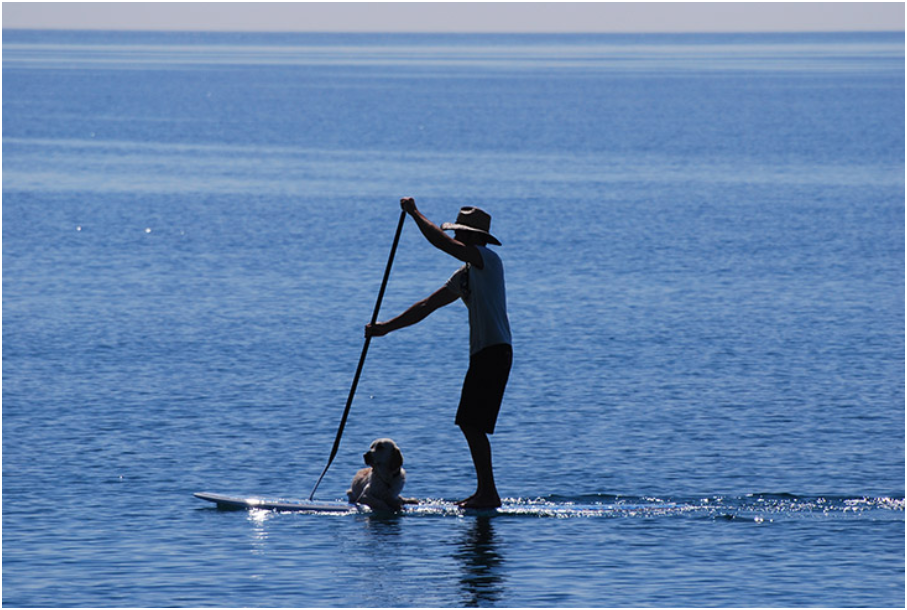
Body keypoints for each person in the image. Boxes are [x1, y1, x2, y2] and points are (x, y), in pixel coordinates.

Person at [366, 197, 512, 509]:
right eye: (457, 233)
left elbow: (441, 243)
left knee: (472, 423)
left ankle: (488, 493)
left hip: (495, 351)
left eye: (461, 233)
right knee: (469, 422)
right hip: (483, 353)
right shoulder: (466, 274)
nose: (458, 238)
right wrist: (385, 328)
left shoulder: (488, 260)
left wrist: (414, 213)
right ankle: (485, 491)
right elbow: (426, 306)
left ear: (474, 238)